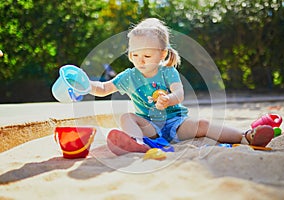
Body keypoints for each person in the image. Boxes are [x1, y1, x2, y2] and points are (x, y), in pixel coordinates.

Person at [89, 18, 274, 155]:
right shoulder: (129, 76)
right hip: (150, 128)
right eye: (135, 56)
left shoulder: (167, 72)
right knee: (127, 117)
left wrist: (169, 99)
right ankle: (137, 142)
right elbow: (104, 89)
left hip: (175, 124)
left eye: (147, 56)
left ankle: (246, 136)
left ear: (162, 55)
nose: (141, 61)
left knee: (203, 124)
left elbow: (179, 93)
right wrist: (85, 85)